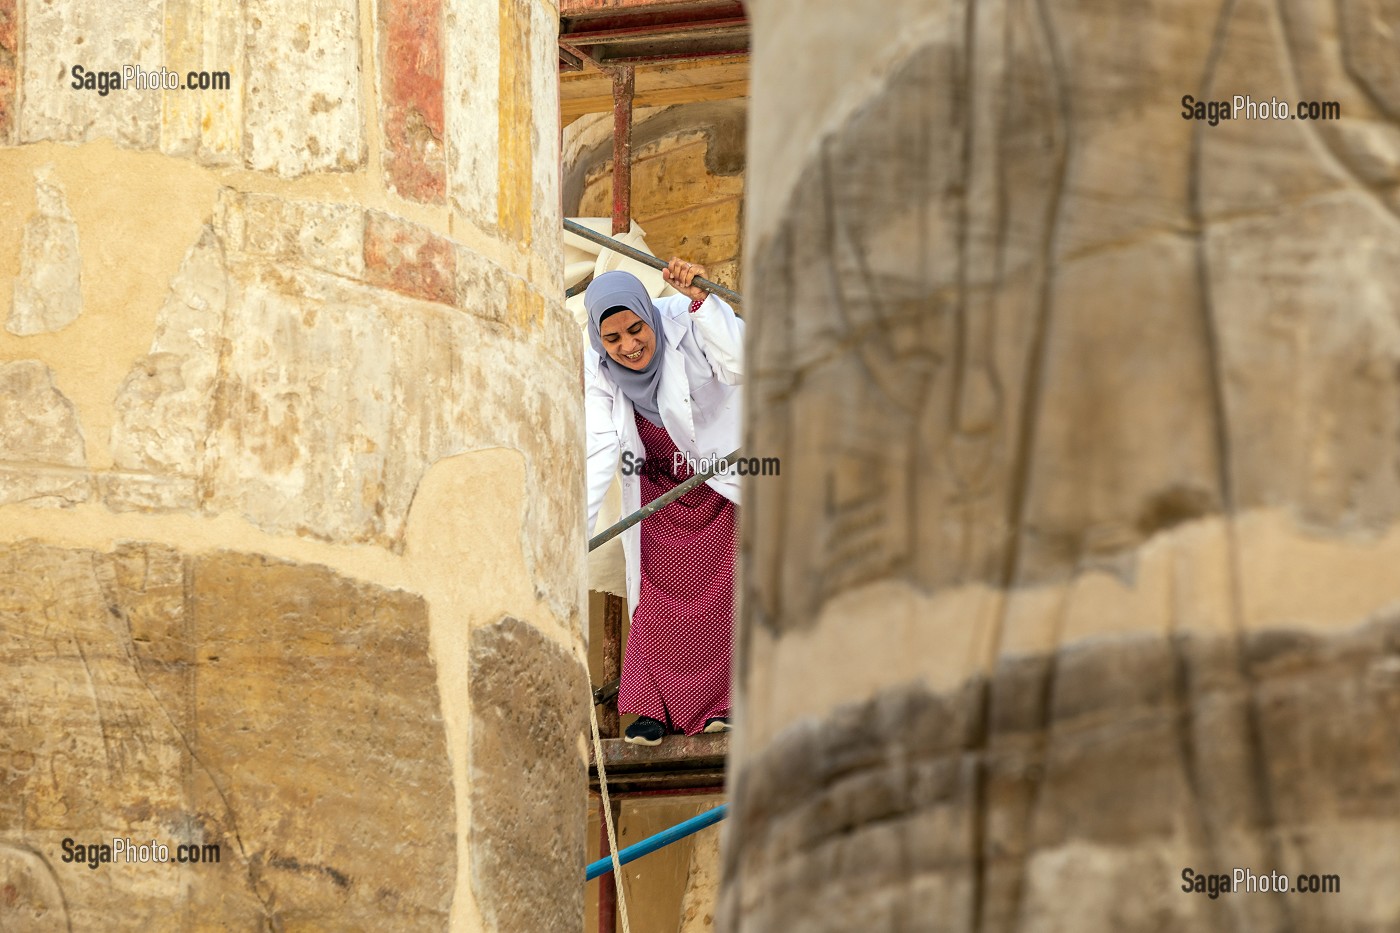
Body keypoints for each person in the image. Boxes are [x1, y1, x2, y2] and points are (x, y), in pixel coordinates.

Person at [584, 258, 743, 746]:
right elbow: (598, 444)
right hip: (655, 483)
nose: (630, 346)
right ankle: (652, 710)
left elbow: (741, 362)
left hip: (718, 478)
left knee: (724, 589)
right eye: (614, 339)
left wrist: (703, 302)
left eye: (636, 329)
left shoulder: (684, 317)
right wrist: (573, 540)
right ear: (599, 340)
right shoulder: (596, 362)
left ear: (648, 315)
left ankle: (723, 705)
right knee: (656, 595)